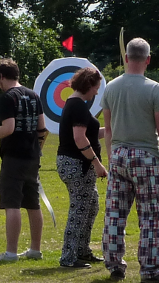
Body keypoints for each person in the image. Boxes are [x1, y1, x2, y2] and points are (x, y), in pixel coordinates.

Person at [101, 38, 159, 282]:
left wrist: (111, 157)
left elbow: (108, 127)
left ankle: (114, 264)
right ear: (148, 59)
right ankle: (149, 270)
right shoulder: (154, 88)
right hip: (146, 157)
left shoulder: (110, 88)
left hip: (118, 155)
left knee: (115, 213)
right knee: (151, 216)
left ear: (125, 58)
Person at [0, 58, 47, 261]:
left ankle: (11, 252)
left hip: (14, 157)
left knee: (12, 203)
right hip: (33, 157)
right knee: (33, 203)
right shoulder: (34, 95)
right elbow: (42, 128)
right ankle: (35, 249)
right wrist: (36, 149)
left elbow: (8, 128)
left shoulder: (7, 97)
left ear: (0, 77)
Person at [55, 67, 108, 269]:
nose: (96, 92)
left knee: (91, 204)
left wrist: (112, 129)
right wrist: (97, 163)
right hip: (77, 164)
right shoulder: (77, 106)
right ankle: (68, 257)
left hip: (74, 163)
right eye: (95, 87)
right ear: (88, 85)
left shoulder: (76, 105)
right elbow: (79, 138)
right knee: (79, 209)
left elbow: (91, 134)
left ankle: (82, 251)